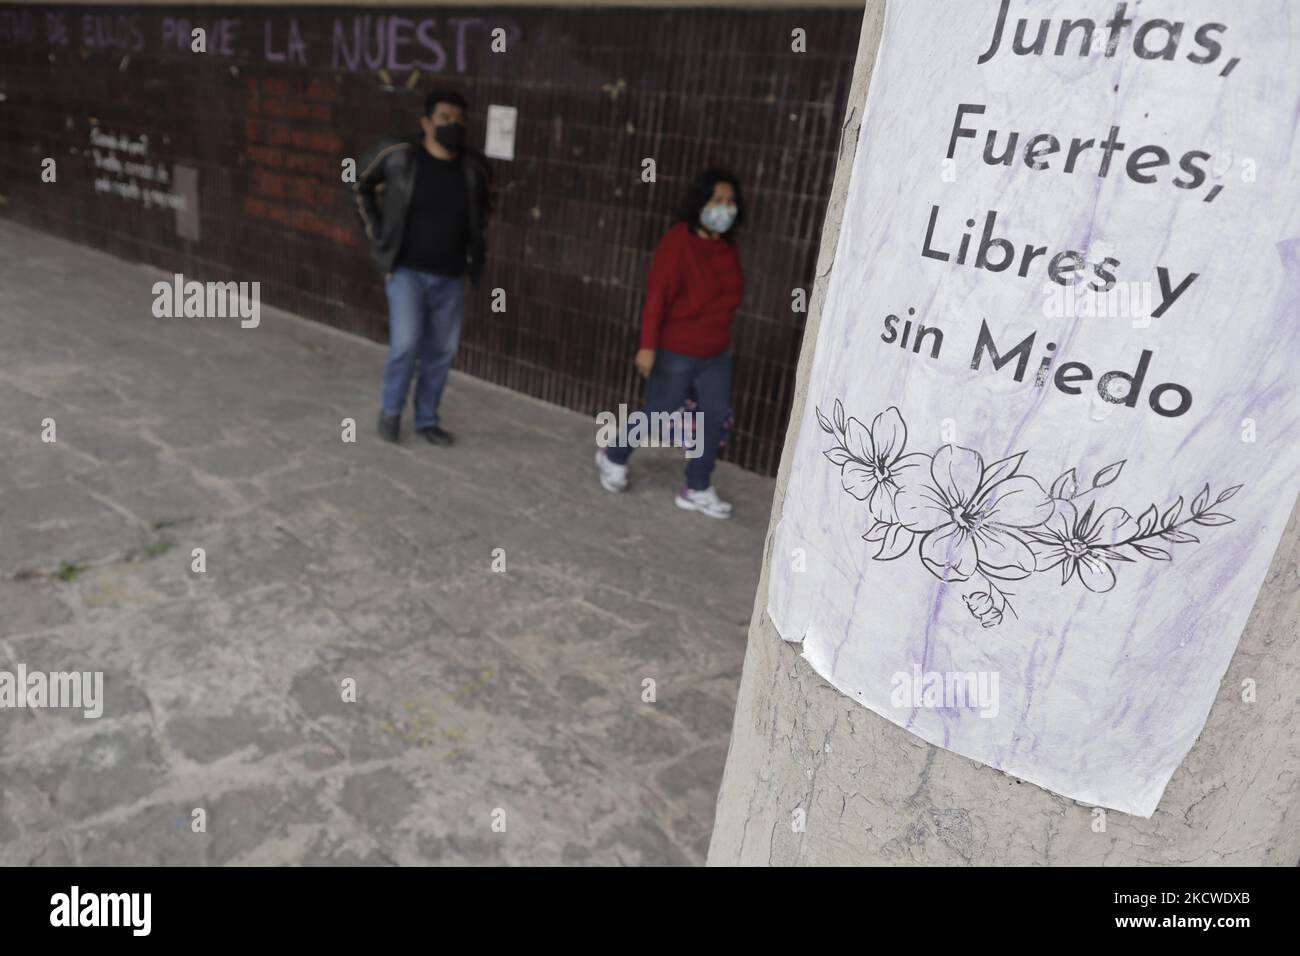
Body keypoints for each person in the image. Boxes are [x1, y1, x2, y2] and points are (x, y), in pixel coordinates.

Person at [596, 168, 744, 518]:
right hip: (676, 348)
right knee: (659, 411)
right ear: (701, 203)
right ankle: (613, 455)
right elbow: (658, 296)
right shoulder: (678, 240)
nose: (725, 207)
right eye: (717, 200)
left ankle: (697, 486)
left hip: (716, 353)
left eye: (730, 201)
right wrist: (647, 345)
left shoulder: (727, 247)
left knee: (714, 417)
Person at [354, 89, 492, 446]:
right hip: (406, 272)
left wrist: (470, 253)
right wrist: (379, 239)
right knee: (406, 344)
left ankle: (427, 419)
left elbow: (486, 207)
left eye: (460, 119)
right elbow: (359, 185)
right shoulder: (398, 154)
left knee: (442, 352)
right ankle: (391, 410)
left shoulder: (475, 166)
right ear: (426, 122)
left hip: (450, 276)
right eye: (445, 118)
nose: (453, 125)